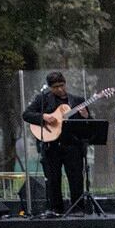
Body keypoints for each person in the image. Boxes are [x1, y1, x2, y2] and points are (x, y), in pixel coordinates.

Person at [21, 72, 92, 215]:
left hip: (72, 145)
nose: (60, 89)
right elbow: (26, 114)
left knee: (76, 178)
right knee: (53, 179)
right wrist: (44, 116)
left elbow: (89, 124)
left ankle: (77, 208)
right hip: (51, 146)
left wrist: (86, 116)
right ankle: (56, 209)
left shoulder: (77, 101)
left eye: (62, 85)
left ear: (65, 83)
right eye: (55, 87)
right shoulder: (43, 99)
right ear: (50, 87)